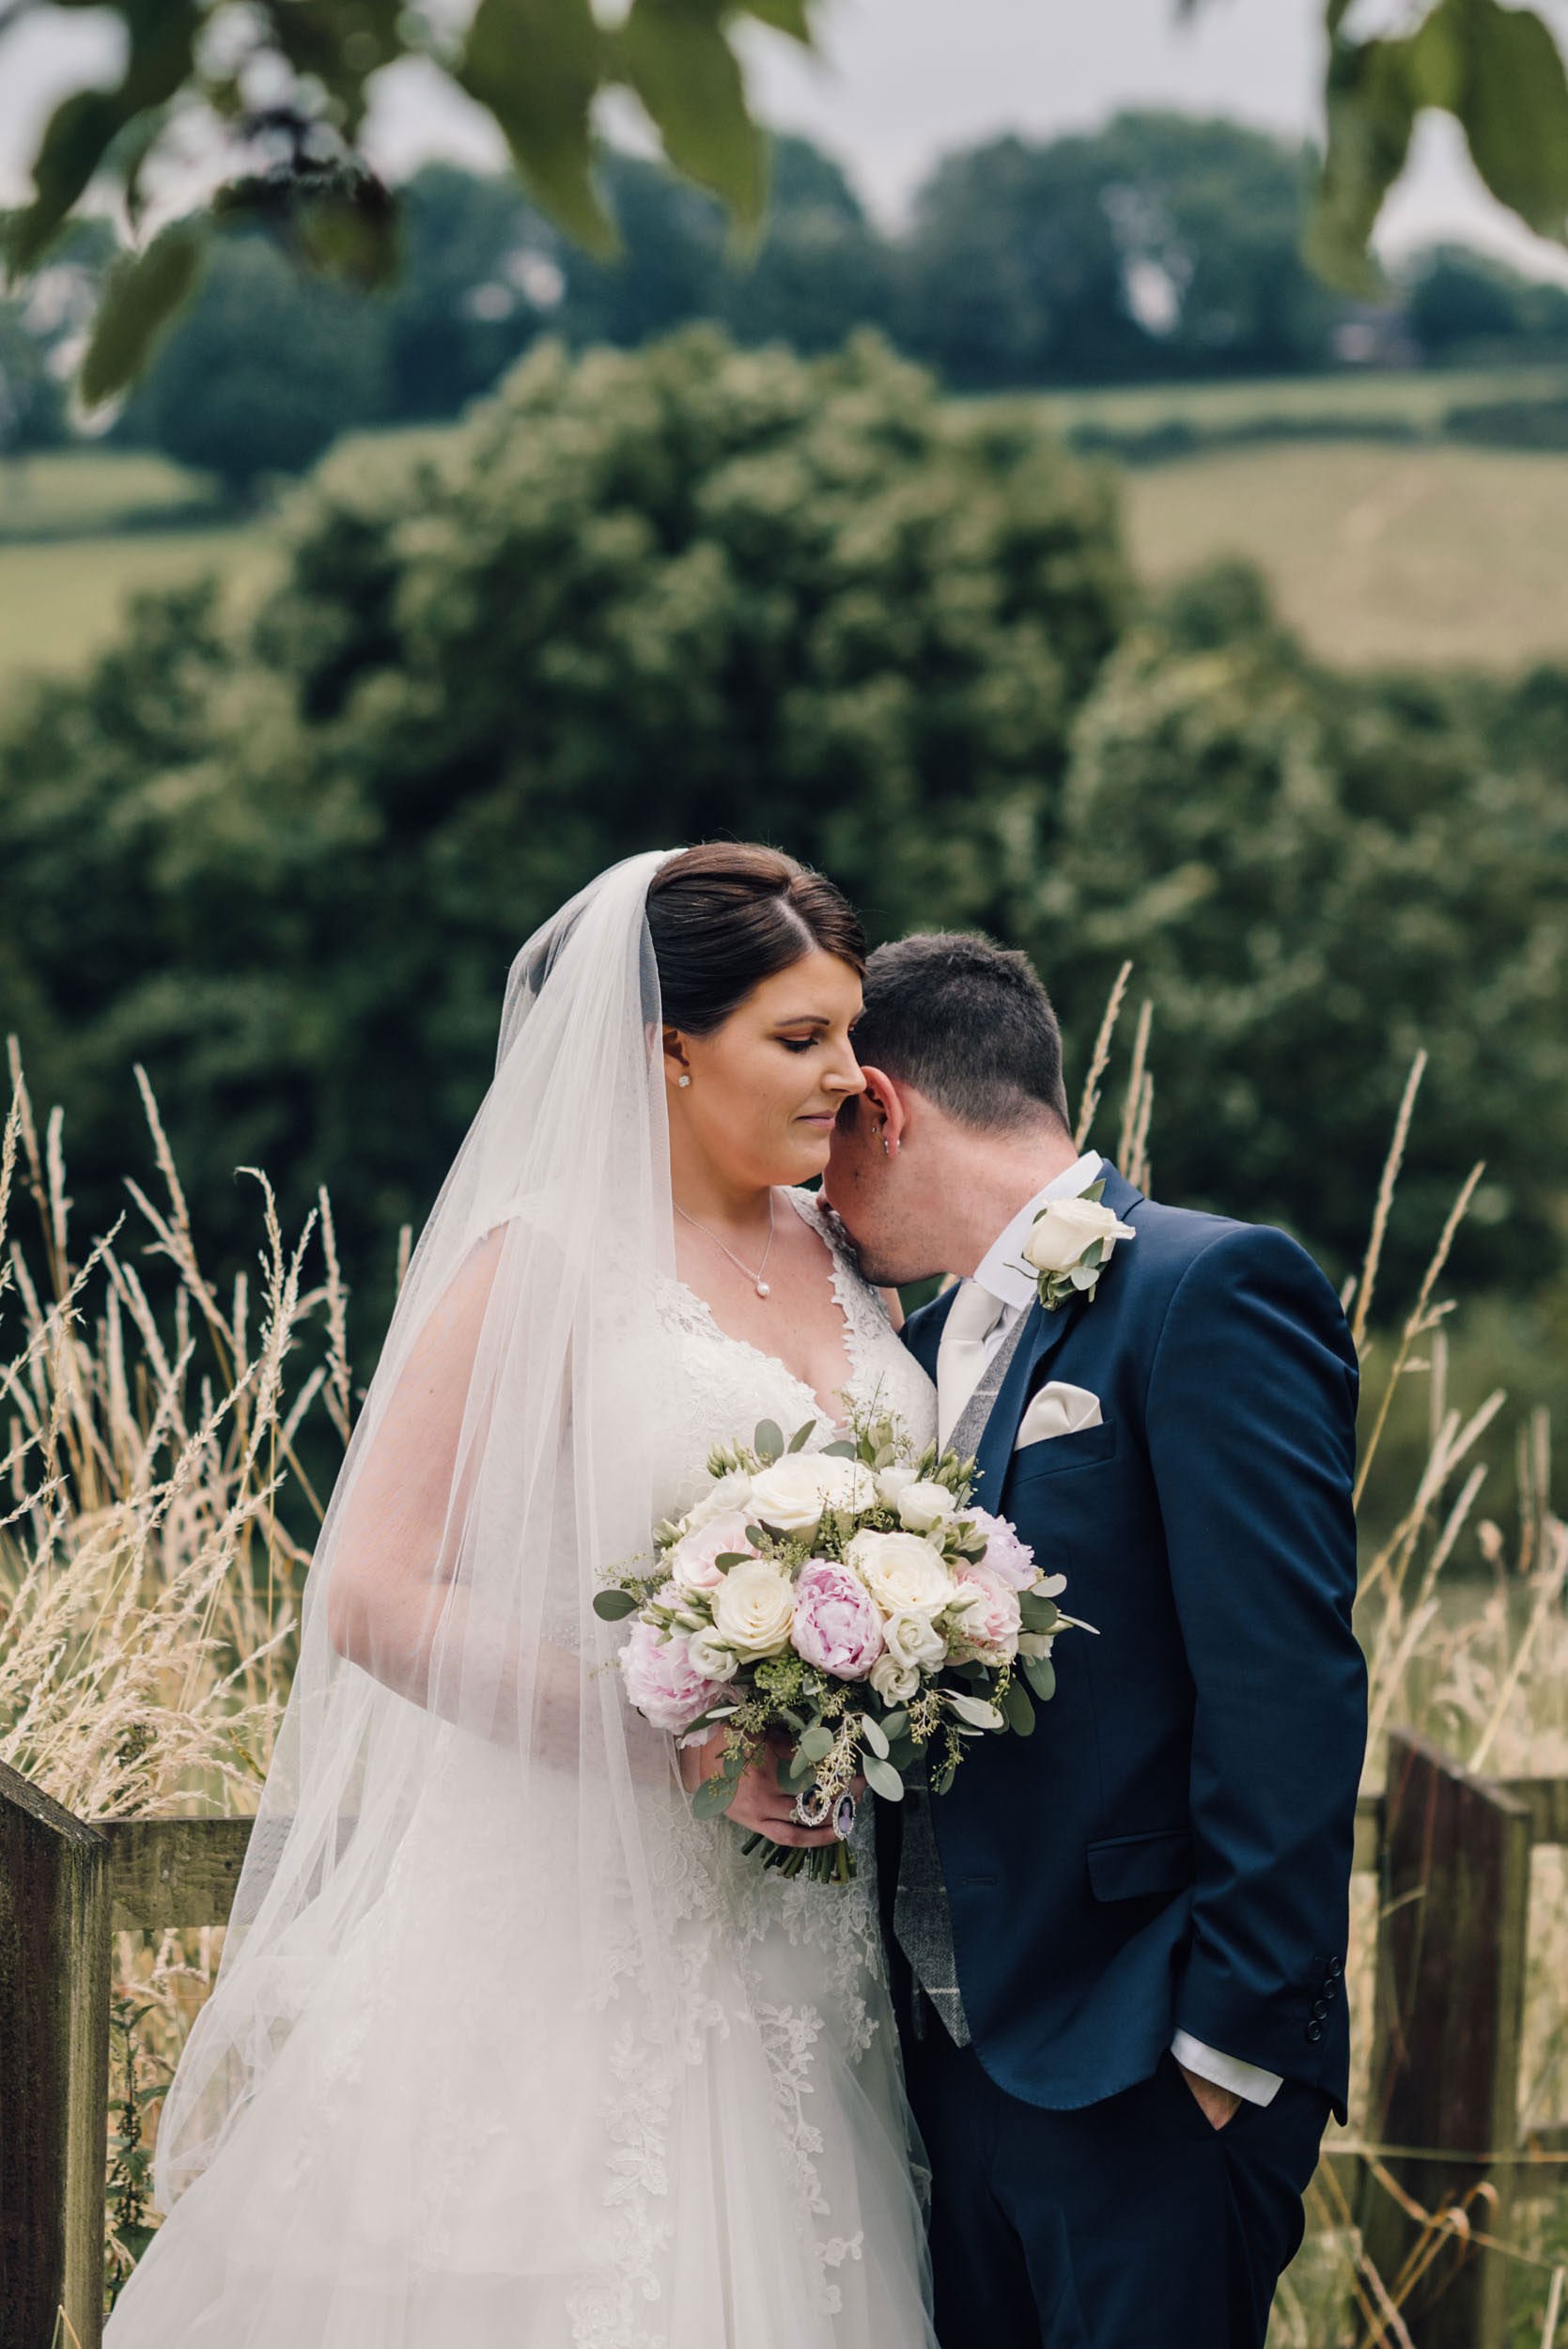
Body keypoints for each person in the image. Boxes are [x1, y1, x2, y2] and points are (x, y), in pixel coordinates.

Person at [105, 845, 940, 2349]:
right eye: (800, 1039)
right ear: (666, 1049)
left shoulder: (841, 1253)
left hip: (805, 1949)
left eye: (851, 1034)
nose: (846, 1076)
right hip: (563, 1929)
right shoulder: (543, 1262)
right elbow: (373, 1592)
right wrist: (676, 1736)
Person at [822, 929, 1366, 2349]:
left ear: (879, 1105)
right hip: (948, 2069)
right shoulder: (913, 1350)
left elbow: (1285, 1680)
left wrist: (1222, 2048)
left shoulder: (1210, 1287)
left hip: (1145, 2063)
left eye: (820, 1142)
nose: (809, 1201)